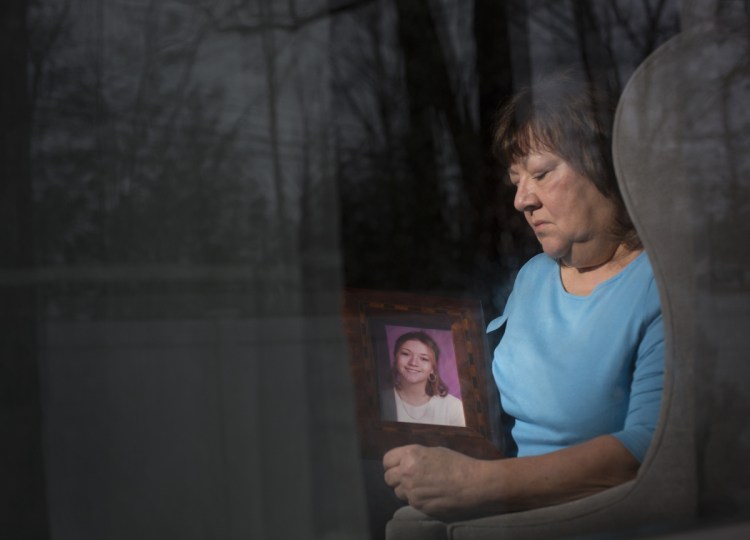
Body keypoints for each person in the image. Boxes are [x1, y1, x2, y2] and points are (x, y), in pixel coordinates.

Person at [383, 75, 664, 519]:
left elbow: (650, 451)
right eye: (516, 180)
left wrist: (475, 484)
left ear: (605, 168)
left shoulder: (658, 283)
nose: (521, 200)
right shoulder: (534, 276)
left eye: (541, 173)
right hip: (516, 506)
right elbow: (475, 391)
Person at [382, 331, 465, 427]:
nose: (413, 363)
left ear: (433, 369)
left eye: (424, 359)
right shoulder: (380, 400)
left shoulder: (453, 407)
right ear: (395, 359)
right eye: (406, 354)